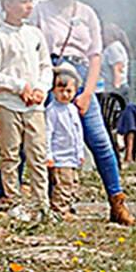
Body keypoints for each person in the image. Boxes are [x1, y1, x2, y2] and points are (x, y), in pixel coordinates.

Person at [31, 0, 135, 225]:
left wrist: (87, 92)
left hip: (79, 76)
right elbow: (31, 47)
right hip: (50, 73)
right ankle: (33, 200)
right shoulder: (40, 10)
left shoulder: (87, 13)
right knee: (38, 140)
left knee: (100, 140)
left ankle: (117, 201)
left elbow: (95, 55)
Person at [0, 0, 51, 221]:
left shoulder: (35, 34)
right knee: (11, 154)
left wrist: (41, 89)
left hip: (34, 105)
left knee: (38, 153)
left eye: (30, 1)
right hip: (7, 104)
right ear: (7, 5)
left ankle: (41, 203)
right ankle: (13, 201)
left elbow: (45, 66)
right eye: (22, 2)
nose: (28, 6)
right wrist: (19, 87)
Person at [43, 65, 86, 218]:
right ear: (54, 90)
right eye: (61, 91)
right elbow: (47, 133)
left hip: (72, 156)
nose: (65, 95)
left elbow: (78, 133)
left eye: (69, 91)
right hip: (59, 157)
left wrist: (80, 152)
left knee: (72, 183)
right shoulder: (52, 111)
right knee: (62, 184)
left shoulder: (73, 109)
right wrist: (48, 155)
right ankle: (59, 210)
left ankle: (67, 206)